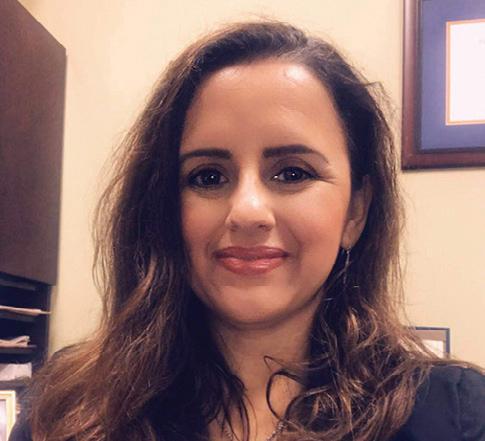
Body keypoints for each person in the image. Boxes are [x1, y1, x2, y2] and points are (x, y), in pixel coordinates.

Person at [10, 20, 485, 441]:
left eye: (293, 173)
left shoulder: (456, 417)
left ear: (355, 212)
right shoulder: (62, 412)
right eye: (208, 177)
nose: (247, 211)